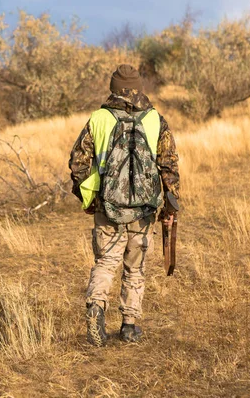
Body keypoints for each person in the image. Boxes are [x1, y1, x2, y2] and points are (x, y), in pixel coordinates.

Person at [69, 64, 180, 347]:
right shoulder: (155, 119)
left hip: (108, 207)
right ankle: (129, 326)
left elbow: (78, 163)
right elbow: (168, 167)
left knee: (106, 263)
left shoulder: (99, 118)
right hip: (144, 211)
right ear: (140, 88)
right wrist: (170, 208)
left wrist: (89, 198)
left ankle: (96, 307)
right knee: (135, 268)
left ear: (112, 87)